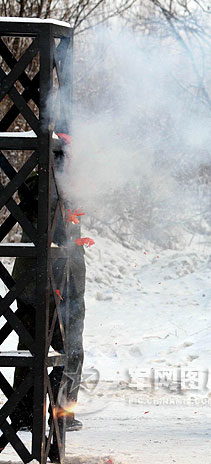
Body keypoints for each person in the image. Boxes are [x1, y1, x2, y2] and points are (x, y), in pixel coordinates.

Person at [10, 133, 86, 433]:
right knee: (32, 345)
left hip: (71, 275)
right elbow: (32, 205)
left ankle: (63, 412)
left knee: (71, 346)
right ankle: (26, 414)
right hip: (37, 275)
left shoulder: (77, 182)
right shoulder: (39, 179)